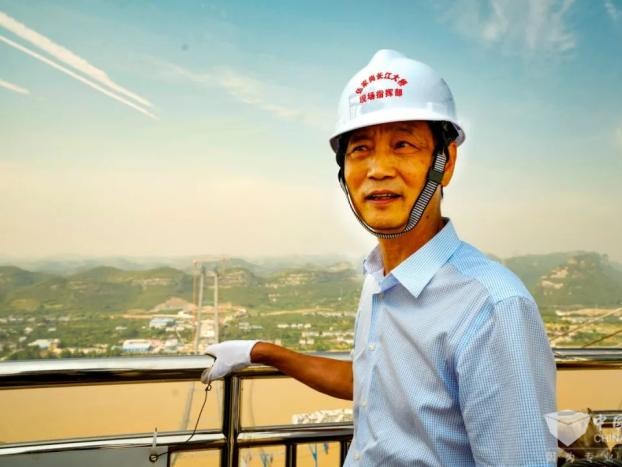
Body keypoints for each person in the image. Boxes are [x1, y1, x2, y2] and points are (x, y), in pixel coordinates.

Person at [202, 49, 557, 466]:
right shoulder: (379, 277)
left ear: (445, 162)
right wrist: (264, 353)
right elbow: (373, 385)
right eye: (360, 149)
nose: (378, 169)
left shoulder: (491, 307)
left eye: (402, 144)